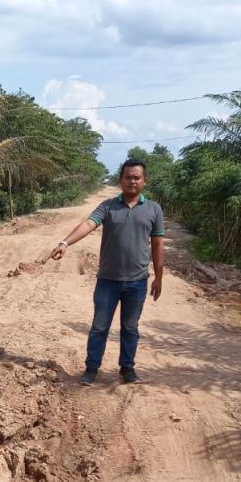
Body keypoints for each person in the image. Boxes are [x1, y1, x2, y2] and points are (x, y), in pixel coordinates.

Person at [47, 159, 165, 384]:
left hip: (137, 281)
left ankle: (127, 369)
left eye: (137, 177)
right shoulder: (108, 206)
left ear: (144, 181)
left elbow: (158, 244)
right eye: (128, 177)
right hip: (107, 281)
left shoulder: (153, 209)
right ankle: (92, 368)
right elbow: (89, 224)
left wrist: (159, 278)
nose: (132, 181)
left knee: (130, 328)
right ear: (120, 180)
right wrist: (65, 243)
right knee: (99, 326)